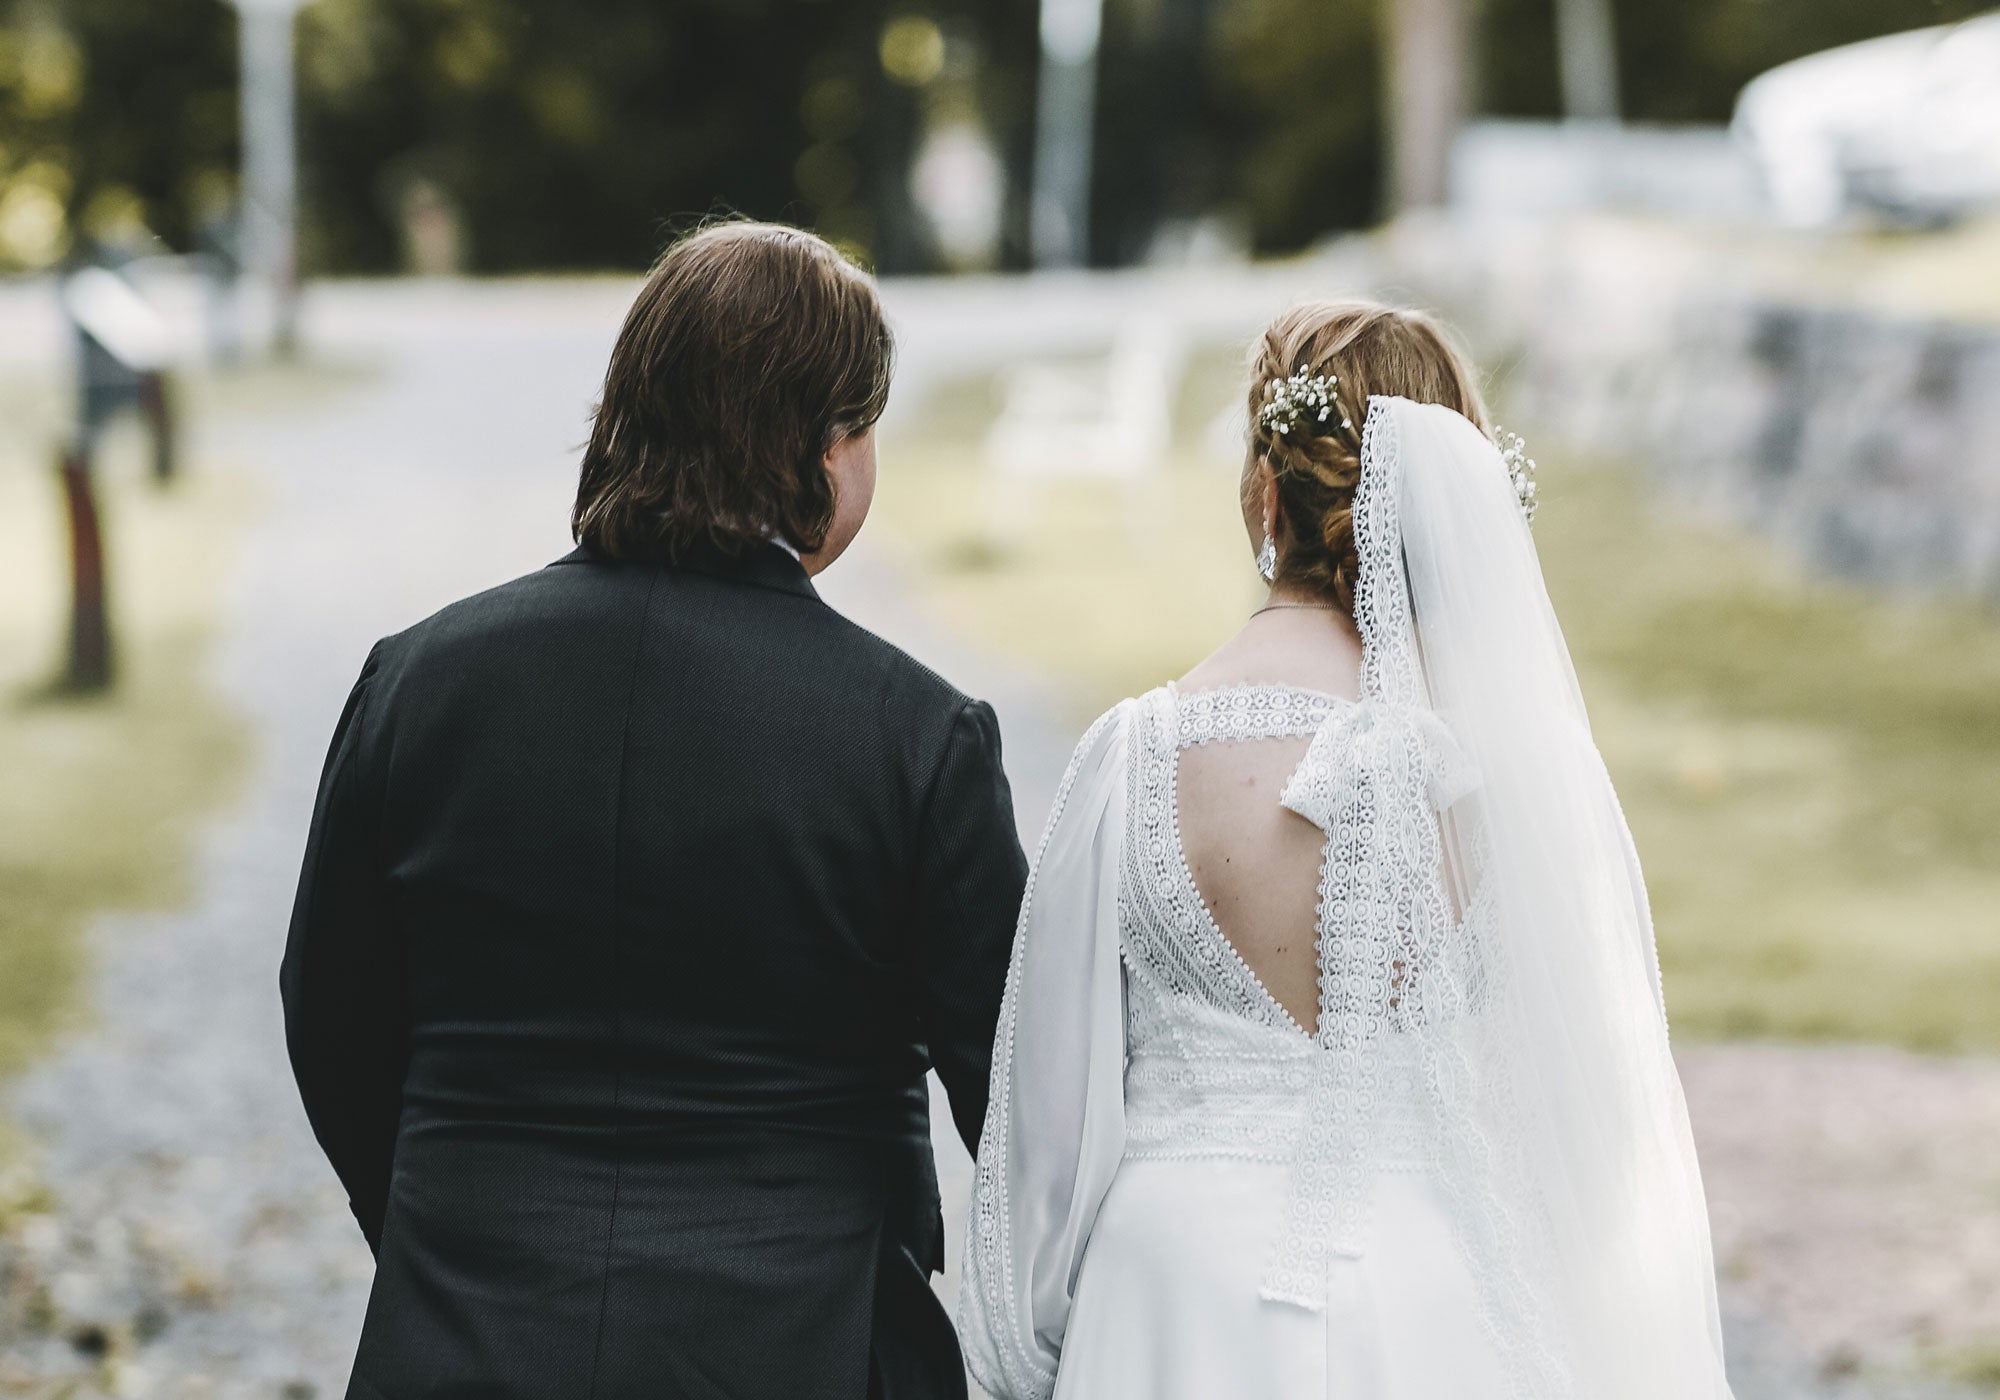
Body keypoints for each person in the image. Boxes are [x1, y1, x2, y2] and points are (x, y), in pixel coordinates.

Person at [282, 221, 1027, 1400]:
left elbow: (330, 1018)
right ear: (825, 446)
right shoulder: (915, 736)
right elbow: (1019, 1098)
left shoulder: (418, 681)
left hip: (462, 1333)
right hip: (808, 1344)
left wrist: (449, 1231)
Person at [957, 301, 1737, 1400]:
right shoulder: (1513, 783)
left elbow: (1048, 1121)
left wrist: (1031, 1353)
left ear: (1265, 492)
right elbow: (1576, 1122)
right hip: (1435, 1301)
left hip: (1173, 1300)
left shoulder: (1138, 753)